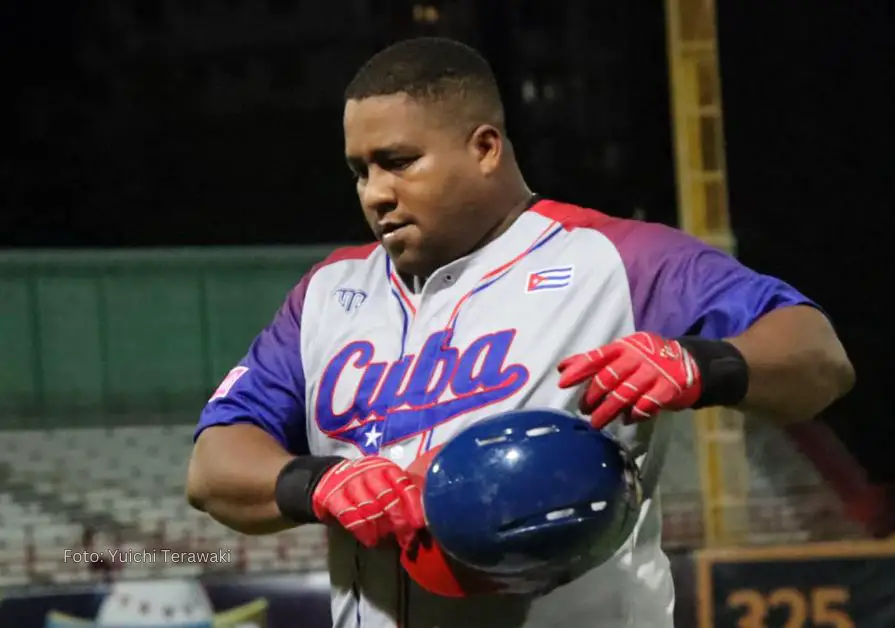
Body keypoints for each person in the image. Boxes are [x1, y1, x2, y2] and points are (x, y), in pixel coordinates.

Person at [185, 36, 858, 627]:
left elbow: (818, 355)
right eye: (361, 170)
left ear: (484, 148)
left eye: (398, 161)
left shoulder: (616, 260)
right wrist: (319, 483)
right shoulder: (328, 293)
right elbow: (214, 465)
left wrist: (701, 363)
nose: (374, 193)